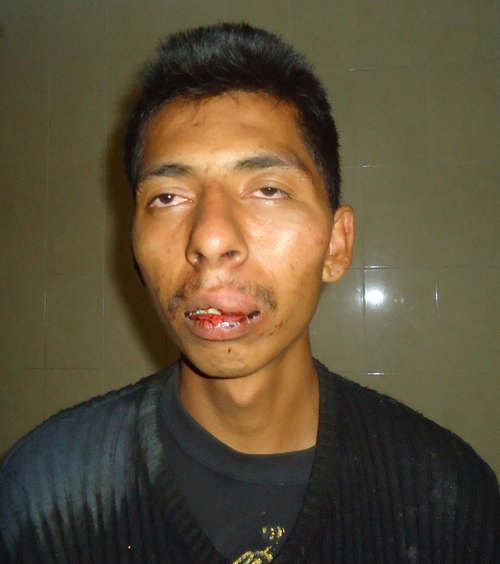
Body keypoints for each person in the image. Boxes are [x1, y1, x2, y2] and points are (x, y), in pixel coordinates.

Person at [0, 23, 498, 564]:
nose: (210, 239)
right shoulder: (44, 494)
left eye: (268, 189)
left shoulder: (450, 497)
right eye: (168, 197)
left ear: (336, 244)